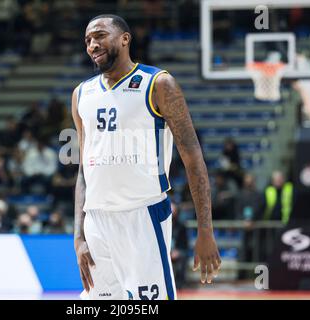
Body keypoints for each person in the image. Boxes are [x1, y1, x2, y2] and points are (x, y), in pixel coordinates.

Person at [72, 15, 220, 300]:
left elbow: (193, 160)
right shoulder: (81, 94)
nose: (92, 44)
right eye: (88, 40)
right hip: (97, 222)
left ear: (125, 39)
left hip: (142, 216)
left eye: (100, 36)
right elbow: (83, 171)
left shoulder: (159, 84)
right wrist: (79, 236)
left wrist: (205, 230)